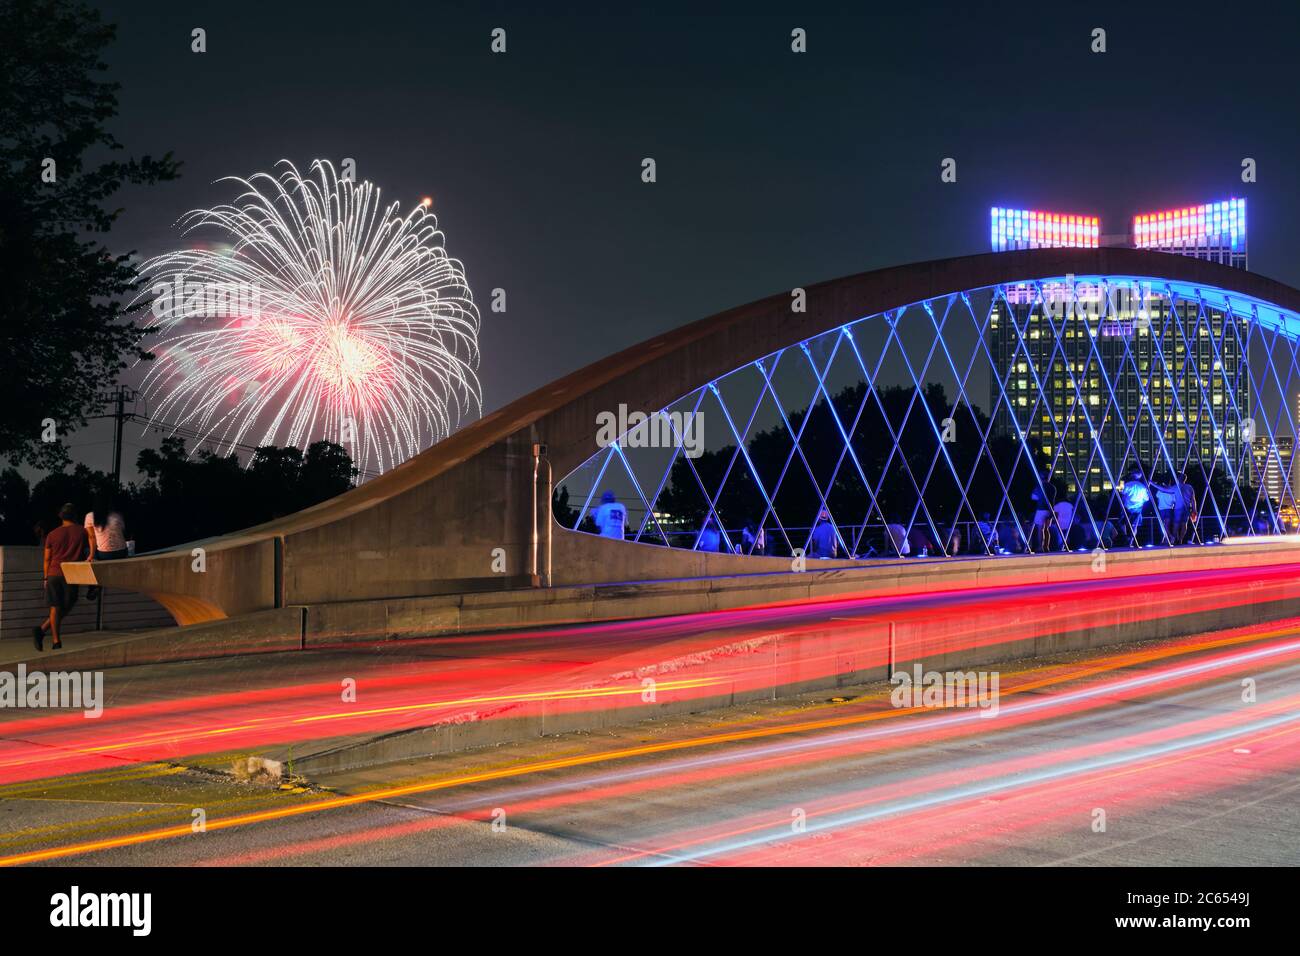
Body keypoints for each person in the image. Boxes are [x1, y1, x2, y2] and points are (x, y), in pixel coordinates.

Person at [32, 503, 87, 652]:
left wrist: (45, 578)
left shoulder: (52, 534)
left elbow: (47, 559)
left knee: (55, 606)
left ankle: (43, 631)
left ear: (61, 516)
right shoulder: (83, 531)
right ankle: (55, 640)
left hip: (54, 573)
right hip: (72, 573)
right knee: (67, 605)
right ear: (75, 515)